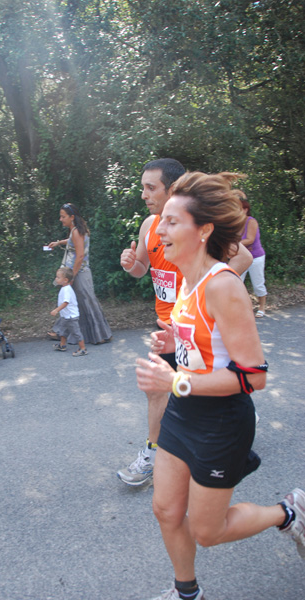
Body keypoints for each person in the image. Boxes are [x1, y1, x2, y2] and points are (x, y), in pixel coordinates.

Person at [135, 171, 305, 600]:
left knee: (207, 531)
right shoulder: (187, 280)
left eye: (173, 222)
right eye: (163, 220)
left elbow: (254, 376)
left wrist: (176, 379)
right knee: (166, 510)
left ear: (203, 229)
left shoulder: (223, 285)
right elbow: (205, 343)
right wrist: (175, 340)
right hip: (183, 414)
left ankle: (288, 512)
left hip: (220, 423)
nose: (161, 228)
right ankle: (187, 593)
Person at [117, 159, 253, 486]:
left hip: (193, 331)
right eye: (142, 187)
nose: (144, 194)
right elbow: (143, 271)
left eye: (151, 188)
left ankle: (228, 428)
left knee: (189, 388)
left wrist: (205, 293)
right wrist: (131, 264)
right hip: (167, 328)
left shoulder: (195, 230)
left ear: (172, 188)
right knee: (160, 391)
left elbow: (244, 257)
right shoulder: (150, 226)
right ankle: (158, 453)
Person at [47, 203, 112, 345]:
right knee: (78, 303)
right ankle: (66, 332)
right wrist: (58, 243)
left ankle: (97, 336)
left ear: (72, 217)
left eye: (63, 216)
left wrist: (72, 276)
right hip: (79, 273)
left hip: (79, 274)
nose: (60, 219)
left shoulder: (76, 231)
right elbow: (73, 242)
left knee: (83, 303)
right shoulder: (76, 230)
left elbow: (80, 255)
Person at [50, 267, 87, 357]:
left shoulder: (67, 290)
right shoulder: (64, 288)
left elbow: (66, 302)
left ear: (65, 280)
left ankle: (83, 349)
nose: (56, 279)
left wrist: (56, 310)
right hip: (66, 316)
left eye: (58, 277)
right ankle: (62, 345)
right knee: (63, 331)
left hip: (71, 317)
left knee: (76, 333)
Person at [240, 198, 267, 318]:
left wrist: (232, 244)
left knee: (258, 284)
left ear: (245, 209)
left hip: (256, 257)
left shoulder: (251, 221)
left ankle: (262, 308)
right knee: (235, 282)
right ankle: (240, 308)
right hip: (240, 257)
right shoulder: (234, 222)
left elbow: (250, 239)